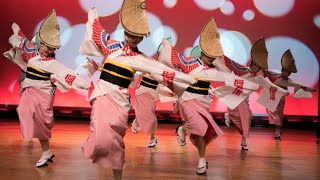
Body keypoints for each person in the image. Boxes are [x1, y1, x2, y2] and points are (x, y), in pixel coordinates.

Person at [79, 1, 197, 179]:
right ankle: (98, 145)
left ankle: (117, 176)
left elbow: (162, 71)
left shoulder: (141, 59)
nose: (134, 38)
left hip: (119, 100)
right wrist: (93, 16)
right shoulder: (110, 46)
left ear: (142, 38)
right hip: (103, 95)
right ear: (125, 32)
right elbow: (96, 32)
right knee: (100, 132)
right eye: (132, 34)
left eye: (139, 36)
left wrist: (188, 79)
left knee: (116, 139)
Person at [158, 17, 259, 174]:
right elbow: (173, 57)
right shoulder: (189, 63)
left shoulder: (217, 68)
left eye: (215, 55)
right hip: (188, 99)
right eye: (210, 55)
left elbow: (230, 78)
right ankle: (201, 159)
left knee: (203, 131)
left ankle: (186, 135)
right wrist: (166, 43)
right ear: (203, 51)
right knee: (200, 126)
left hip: (203, 101)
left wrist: (222, 66)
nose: (212, 58)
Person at [3, 10, 90, 167]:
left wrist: (85, 85)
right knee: (24, 109)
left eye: (52, 48)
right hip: (30, 89)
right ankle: (45, 150)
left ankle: (46, 151)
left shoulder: (53, 64)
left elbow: (69, 75)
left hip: (44, 93)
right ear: (41, 43)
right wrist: (16, 30)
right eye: (47, 47)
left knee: (42, 124)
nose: (50, 50)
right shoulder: (31, 53)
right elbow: (22, 40)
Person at [264, 49, 316, 139]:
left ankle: (277, 131)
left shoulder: (288, 81)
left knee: (279, 114)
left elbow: (299, 85)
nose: (288, 74)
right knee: (272, 112)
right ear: (283, 70)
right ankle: (277, 129)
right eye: (287, 71)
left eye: (289, 73)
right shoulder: (274, 75)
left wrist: (311, 90)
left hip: (281, 98)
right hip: (272, 97)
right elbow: (264, 71)